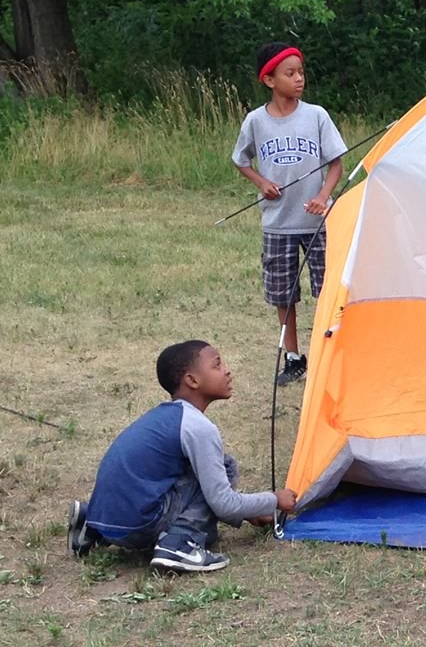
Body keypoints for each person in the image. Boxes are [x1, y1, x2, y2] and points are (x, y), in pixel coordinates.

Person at [66, 341, 297, 572]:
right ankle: (179, 544)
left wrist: (248, 513)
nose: (227, 370)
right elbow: (223, 503)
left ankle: (89, 527)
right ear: (192, 380)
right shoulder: (197, 427)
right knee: (225, 466)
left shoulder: (163, 416)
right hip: (140, 526)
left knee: (200, 472)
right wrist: (275, 500)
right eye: (217, 365)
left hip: (106, 519)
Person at [232, 43, 347, 386]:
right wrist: (261, 181)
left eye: (301, 72)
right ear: (268, 79)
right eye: (290, 73)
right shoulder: (256, 121)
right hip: (278, 224)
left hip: (318, 224)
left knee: (329, 290)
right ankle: (294, 358)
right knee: (284, 295)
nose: (299, 79)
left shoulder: (316, 116)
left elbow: (336, 163)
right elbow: (240, 159)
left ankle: (334, 354)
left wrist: (323, 196)